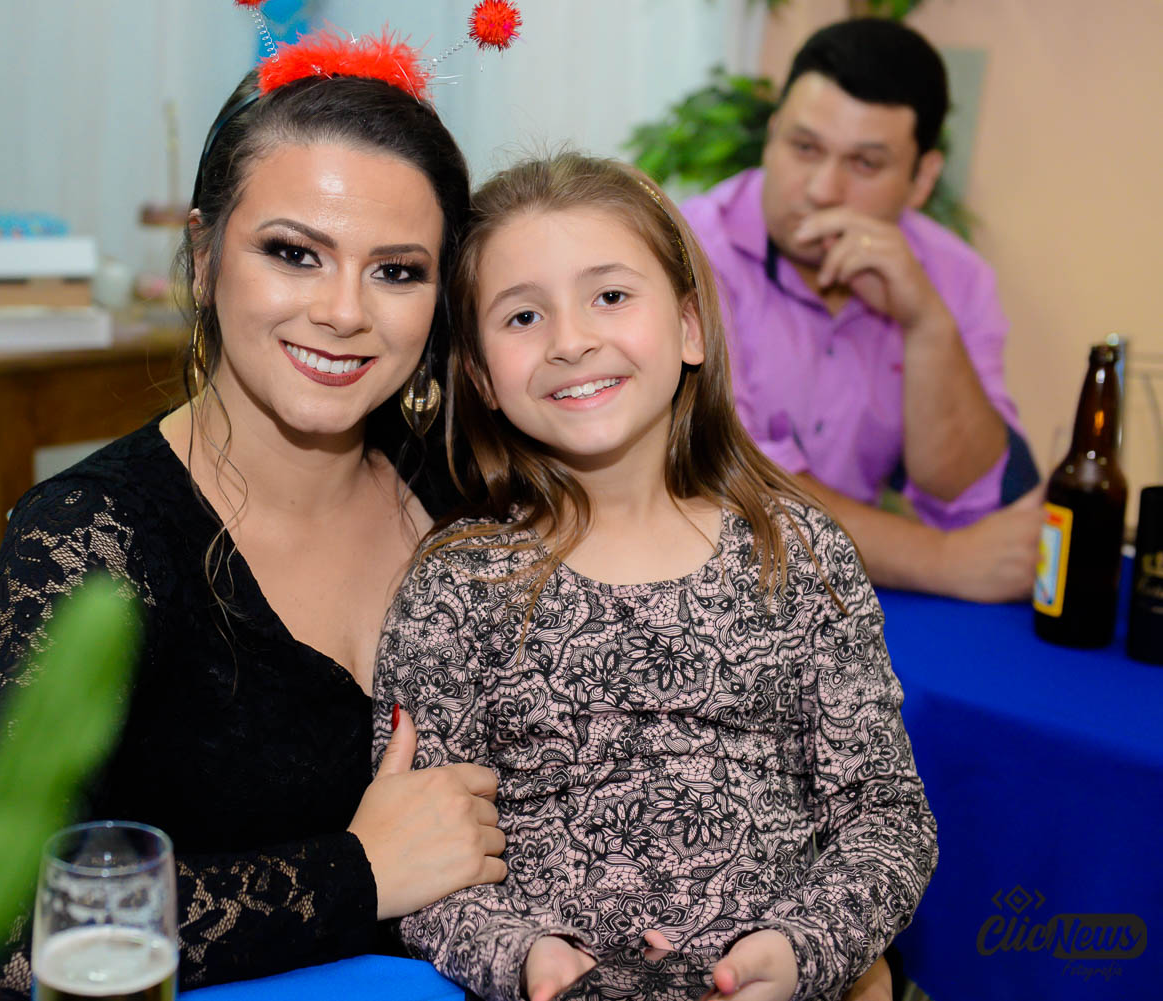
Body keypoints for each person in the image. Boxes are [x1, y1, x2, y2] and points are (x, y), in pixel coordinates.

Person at [0, 66, 510, 996]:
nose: (345, 311)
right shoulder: (92, 538)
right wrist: (356, 872)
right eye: (294, 253)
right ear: (203, 257)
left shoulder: (466, 489)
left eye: (397, 271)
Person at [373, 152, 937, 1001]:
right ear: (482, 376)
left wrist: (801, 951)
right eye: (523, 315)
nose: (571, 340)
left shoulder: (797, 554)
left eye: (609, 295)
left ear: (690, 327)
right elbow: (423, 859)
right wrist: (523, 956)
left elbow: (886, 815)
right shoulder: (456, 591)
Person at [680, 18, 1043, 604]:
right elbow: (727, 479)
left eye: (865, 164)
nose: (822, 189)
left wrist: (926, 325)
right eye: (804, 148)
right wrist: (943, 559)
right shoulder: (689, 252)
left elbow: (971, 498)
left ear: (922, 179)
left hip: (852, 599)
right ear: (771, 137)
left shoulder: (955, 276)